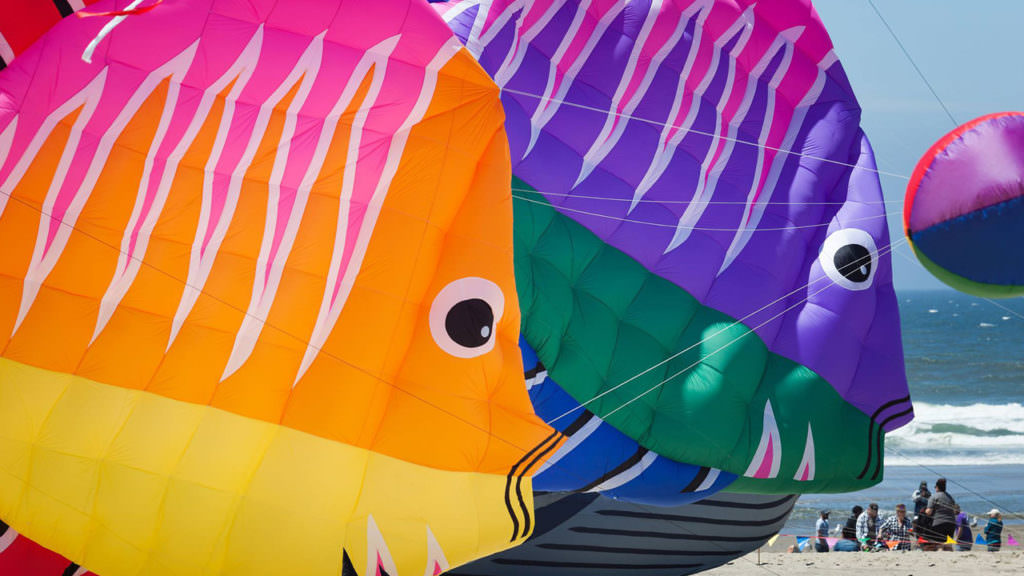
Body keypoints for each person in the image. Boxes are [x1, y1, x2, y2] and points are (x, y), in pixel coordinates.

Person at [925, 478, 956, 551]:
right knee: (948, 544)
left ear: (937, 487)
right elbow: (954, 510)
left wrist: (924, 511)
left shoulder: (934, 497)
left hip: (939, 523)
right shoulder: (950, 497)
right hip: (951, 524)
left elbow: (929, 512)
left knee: (939, 544)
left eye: (935, 487)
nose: (935, 488)